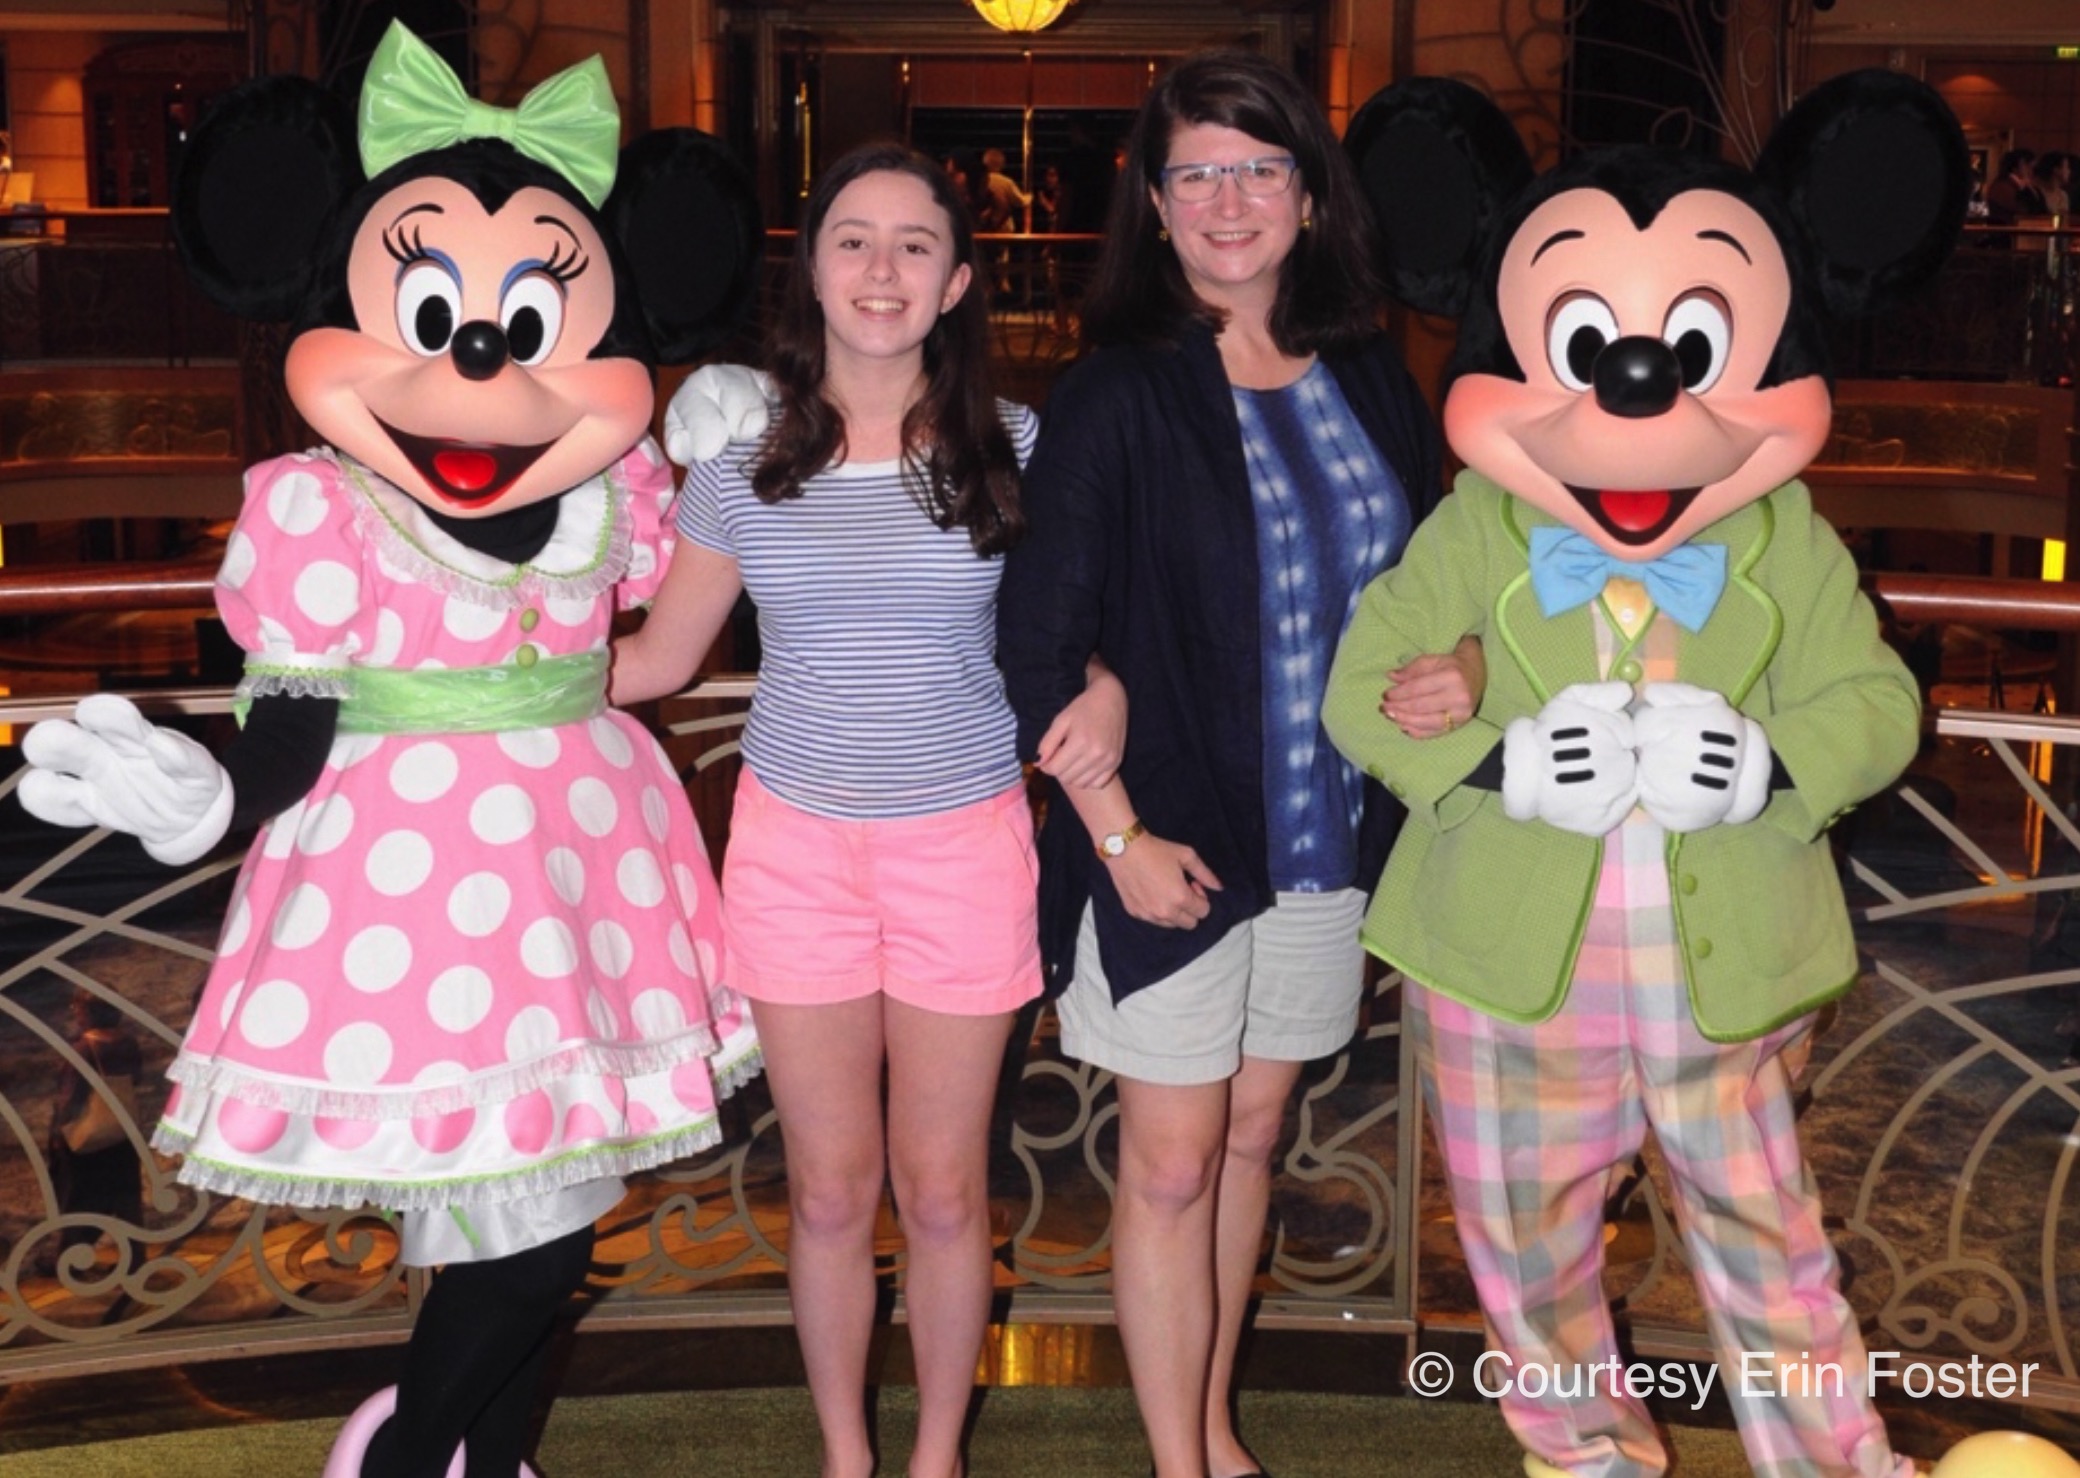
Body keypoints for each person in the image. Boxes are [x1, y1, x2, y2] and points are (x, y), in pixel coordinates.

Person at [995, 52, 1481, 1478]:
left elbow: (1440, 580)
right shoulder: (1118, 392)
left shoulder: (1379, 377)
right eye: (1195, 170)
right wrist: (1119, 832)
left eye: (1259, 166)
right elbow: (1037, 641)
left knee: (1254, 1136)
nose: (1229, 198)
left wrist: (1471, 662)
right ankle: (1179, 1455)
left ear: (1312, 197)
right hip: (1180, 837)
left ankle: (1215, 1432)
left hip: (1325, 833)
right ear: (1153, 204)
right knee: (1167, 1157)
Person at [614, 140, 1123, 1478]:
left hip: (964, 845)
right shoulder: (739, 461)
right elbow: (660, 660)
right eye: (852, 239)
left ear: (957, 280)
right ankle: (847, 1454)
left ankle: (937, 1455)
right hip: (793, 850)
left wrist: (1114, 694)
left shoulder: (1017, 447)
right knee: (833, 1191)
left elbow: (1086, 631)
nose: (881, 268)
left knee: (948, 1189)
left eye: (913, 244)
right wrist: (464, 670)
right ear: (813, 271)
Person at [45, 994, 145, 1264]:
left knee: (79, 1198)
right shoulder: (128, 1042)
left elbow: (70, 1097)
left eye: (77, 1008)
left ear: (89, 1013)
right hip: (122, 1131)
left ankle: (69, 1261)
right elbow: (135, 1079)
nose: (75, 1013)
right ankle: (136, 1259)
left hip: (90, 1138)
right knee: (126, 1198)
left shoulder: (83, 1049)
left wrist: (58, 1135)